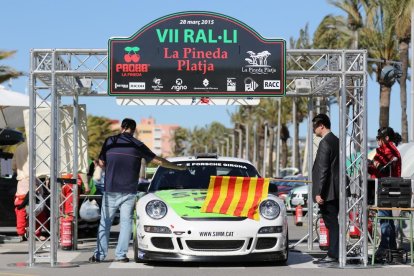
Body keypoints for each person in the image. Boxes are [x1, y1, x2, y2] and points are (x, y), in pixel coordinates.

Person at [89, 118, 187, 263]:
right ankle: (121, 255)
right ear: (133, 130)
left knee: (105, 222)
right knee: (126, 223)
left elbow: (102, 163)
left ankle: (99, 255)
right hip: (129, 190)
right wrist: (179, 168)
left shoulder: (110, 141)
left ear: (122, 127)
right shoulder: (138, 145)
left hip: (111, 190)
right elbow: (158, 161)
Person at [368, 127, 402, 258]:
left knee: (384, 218)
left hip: (387, 187)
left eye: (378, 138)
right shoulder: (384, 150)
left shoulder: (389, 149)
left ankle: (384, 247)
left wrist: (374, 164)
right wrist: (370, 165)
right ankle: (391, 248)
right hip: (384, 186)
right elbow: (376, 170)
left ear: (386, 138)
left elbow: (382, 168)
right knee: (387, 218)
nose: (377, 141)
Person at [311, 114, 340, 264]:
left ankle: (333, 253)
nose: (313, 129)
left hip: (327, 192)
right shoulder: (336, 141)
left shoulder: (325, 143)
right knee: (333, 222)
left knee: (331, 223)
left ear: (321, 125)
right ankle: (335, 252)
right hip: (336, 190)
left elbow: (322, 170)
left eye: (314, 126)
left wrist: (318, 193)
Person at [12, 141, 47, 241]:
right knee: (38, 208)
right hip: (36, 180)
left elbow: (14, 166)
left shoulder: (18, 148)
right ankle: (37, 233)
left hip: (22, 181)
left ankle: (21, 233)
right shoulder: (38, 146)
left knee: (20, 208)